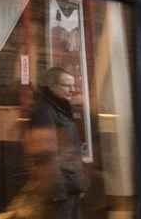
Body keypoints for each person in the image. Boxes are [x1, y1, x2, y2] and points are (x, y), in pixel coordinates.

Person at [27, 67, 89, 219]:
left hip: (70, 187)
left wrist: (80, 183)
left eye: (73, 86)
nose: (72, 90)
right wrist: (58, 194)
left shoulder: (60, 109)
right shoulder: (45, 111)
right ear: (51, 86)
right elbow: (47, 156)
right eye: (67, 85)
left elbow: (71, 151)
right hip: (61, 193)